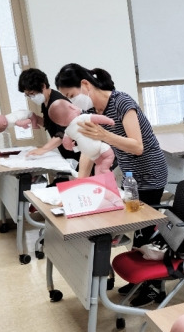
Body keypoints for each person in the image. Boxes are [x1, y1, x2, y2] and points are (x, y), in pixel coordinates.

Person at [55, 64, 168, 305]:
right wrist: (79, 186)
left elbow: (137, 146)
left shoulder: (121, 102)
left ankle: (154, 286)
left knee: (144, 231)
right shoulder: (94, 110)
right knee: (136, 228)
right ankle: (141, 280)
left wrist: (104, 136)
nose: (72, 102)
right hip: (130, 176)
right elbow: (89, 151)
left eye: (71, 95)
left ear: (85, 85)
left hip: (150, 173)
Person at [17, 68, 78, 161]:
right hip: (68, 152)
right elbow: (50, 124)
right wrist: (34, 118)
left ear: (43, 86)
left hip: (78, 152)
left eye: (32, 93)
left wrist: (43, 149)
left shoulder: (57, 103)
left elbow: (63, 133)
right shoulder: (46, 102)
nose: (31, 97)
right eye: (27, 95)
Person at [48, 99, 115, 174]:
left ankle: (100, 173)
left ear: (60, 124)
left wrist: (71, 147)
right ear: (72, 107)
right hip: (97, 146)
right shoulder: (83, 118)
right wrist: (109, 121)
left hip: (88, 153)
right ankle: (105, 168)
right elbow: (98, 118)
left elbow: (66, 145)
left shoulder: (67, 131)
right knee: (109, 155)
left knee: (99, 163)